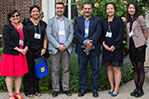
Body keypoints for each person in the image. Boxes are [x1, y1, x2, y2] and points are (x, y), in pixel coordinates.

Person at [74, 2, 102, 97]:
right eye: (85, 8)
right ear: (82, 10)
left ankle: (94, 89)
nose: (87, 10)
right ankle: (83, 88)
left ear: (91, 10)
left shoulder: (97, 20)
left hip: (94, 48)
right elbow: (77, 32)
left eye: (89, 9)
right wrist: (85, 42)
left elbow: (98, 32)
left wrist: (91, 42)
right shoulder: (77, 20)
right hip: (81, 48)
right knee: (82, 70)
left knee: (95, 70)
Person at [46, 2, 74, 97]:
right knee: (55, 70)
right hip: (55, 49)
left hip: (66, 48)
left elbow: (71, 33)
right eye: (57, 8)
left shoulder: (69, 21)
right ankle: (56, 89)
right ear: (55, 9)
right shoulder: (50, 21)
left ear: (64, 9)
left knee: (66, 69)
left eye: (61, 8)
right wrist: (58, 46)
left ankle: (66, 88)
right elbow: (49, 35)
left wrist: (65, 45)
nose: (59, 9)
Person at [0, 10, 28, 99]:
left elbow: (28, 39)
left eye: (17, 15)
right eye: (13, 16)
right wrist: (19, 50)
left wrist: (26, 48)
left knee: (19, 74)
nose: (16, 17)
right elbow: (7, 41)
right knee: (10, 74)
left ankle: (17, 93)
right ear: (9, 18)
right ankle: (10, 94)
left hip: (21, 53)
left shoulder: (23, 27)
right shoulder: (7, 27)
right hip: (10, 54)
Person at [22, 5, 47, 98]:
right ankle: (29, 91)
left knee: (38, 71)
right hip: (28, 50)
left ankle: (36, 90)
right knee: (28, 70)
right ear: (30, 13)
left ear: (39, 13)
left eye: (37, 11)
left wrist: (44, 48)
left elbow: (45, 37)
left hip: (39, 50)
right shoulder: (26, 22)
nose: (35, 13)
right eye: (33, 11)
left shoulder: (43, 24)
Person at [102, 2, 124, 97]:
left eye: (111, 8)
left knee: (116, 69)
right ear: (106, 10)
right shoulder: (103, 22)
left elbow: (121, 34)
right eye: (108, 9)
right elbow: (101, 34)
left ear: (114, 10)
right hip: (106, 48)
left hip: (116, 48)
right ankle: (111, 87)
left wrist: (114, 46)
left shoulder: (119, 21)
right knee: (109, 68)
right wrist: (103, 44)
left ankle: (116, 88)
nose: (109, 10)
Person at [126, 2, 148, 97]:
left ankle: (140, 89)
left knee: (140, 67)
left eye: (133, 8)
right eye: (129, 8)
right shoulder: (128, 20)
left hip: (139, 46)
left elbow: (145, 31)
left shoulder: (140, 18)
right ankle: (136, 88)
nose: (131, 9)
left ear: (136, 9)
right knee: (135, 67)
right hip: (131, 46)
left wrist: (142, 42)